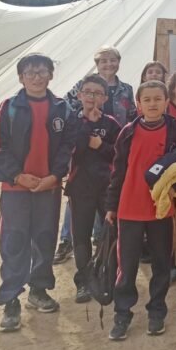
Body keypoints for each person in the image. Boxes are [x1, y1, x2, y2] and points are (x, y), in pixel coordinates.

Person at [0, 53, 74, 332]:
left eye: (42, 72)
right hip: (15, 188)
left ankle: (39, 290)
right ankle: (10, 299)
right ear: (21, 78)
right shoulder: (9, 107)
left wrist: (55, 176)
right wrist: (17, 175)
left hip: (48, 188)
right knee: (14, 240)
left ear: (51, 75)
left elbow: (68, 146)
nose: (37, 77)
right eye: (30, 73)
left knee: (44, 238)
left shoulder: (62, 108)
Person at [104, 80, 176, 340]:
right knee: (127, 266)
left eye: (158, 99)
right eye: (147, 100)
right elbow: (118, 170)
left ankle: (156, 311)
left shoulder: (174, 131)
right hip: (129, 208)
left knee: (162, 263)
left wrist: (175, 189)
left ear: (166, 102)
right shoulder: (128, 132)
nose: (152, 104)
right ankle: (122, 313)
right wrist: (111, 205)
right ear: (138, 104)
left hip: (160, 209)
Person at [56, 45, 136, 264]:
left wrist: (101, 144)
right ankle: (71, 250)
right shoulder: (77, 104)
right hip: (81, 179)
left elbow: (128, 127)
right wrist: (86, 123)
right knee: (79, 225)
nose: (109, 64)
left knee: (109, 226)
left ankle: (105, 271)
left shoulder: (125, 91)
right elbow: (72, 146)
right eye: (103, 61)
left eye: (113, 60)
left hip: (107, 172)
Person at [64, 74, 121, 303]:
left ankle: (108, 277)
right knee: (81, 235)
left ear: (105, 98)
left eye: (98, 93)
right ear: (79, 95)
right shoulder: (72, 122)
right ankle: (84, 282)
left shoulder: (112, 124)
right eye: (88, 92)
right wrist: (87, 124)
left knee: (112, 233)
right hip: (80, 187)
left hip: (107, 187)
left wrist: (100, 145)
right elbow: (74, 152)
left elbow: (120, 156)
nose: (92, 97)